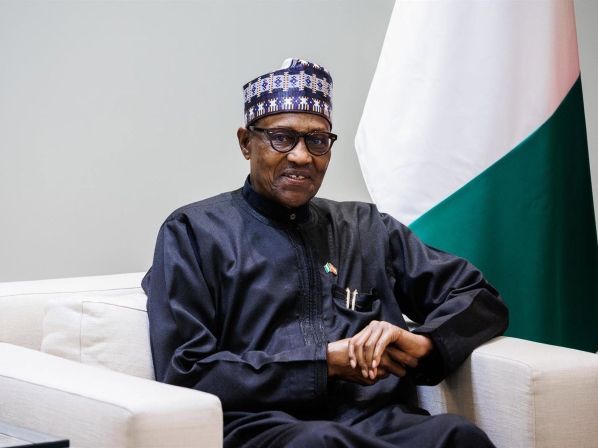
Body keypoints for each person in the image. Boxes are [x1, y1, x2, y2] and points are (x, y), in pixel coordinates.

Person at [142, 58, 509, 448]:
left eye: (317, 141)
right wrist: (324, 364)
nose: (302, 156)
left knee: (458, 435)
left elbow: (479, 297)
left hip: (374, 420)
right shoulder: (194, 231)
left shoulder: (366, 228)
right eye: (282, 138)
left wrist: (427, 344)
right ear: (246, 143)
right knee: (320, 442)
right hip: (260, 426)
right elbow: (186, 369)